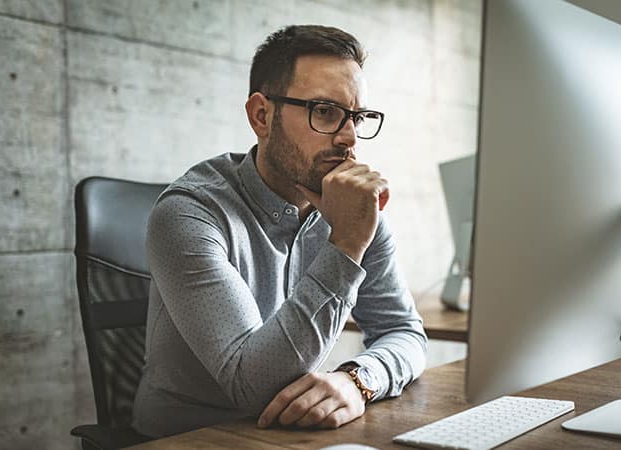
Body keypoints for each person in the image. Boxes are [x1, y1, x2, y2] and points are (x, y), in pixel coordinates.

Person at [132, 24, 427, 438]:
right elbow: (251, 385)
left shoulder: (353, 207)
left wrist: (358, 380)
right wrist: (346, 244)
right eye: (324, 111)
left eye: (357, 117)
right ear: (261, 116)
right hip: (189, 441)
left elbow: (404, 332)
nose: (349, 138)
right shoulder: (188, 212)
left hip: (294, 437)